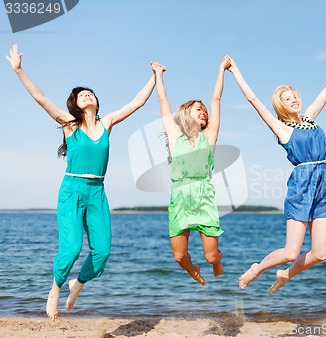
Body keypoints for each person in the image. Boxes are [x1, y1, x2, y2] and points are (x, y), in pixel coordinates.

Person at [5, 44, 159, 321]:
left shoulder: (107, 122)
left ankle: (78, 284)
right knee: (72, 247)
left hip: (97, 192)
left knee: (102, 252)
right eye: (81, 95)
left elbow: (138, 102)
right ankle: (55, 289)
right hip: (73, 190)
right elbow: (40, 97)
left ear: (97, 103)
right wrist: (18, 70)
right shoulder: (69, 125)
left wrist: (156, 76)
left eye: (90, 93)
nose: (87, 95)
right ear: (75, 104)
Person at [227, 52, 326, 295]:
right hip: (301, 186)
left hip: (322, 185)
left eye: (295, 96)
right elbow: (254, 100)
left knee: (320, 253)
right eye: (288, 99)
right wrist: (235, 71)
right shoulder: (282, 128)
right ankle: (258, 268)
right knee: (290, 252)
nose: (294, 100)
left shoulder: (310, 119)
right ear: (281, 105)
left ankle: (286, 274)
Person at [153, 56, 230, 285]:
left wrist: (221, 70)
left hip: (204, 197)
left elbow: (216, 98)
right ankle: (192, 269)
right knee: (178, 256)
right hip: (179, 197)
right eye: (199, 109)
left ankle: (217, 262)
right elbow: (162, 100)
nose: (204, 112)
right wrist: (158, 74)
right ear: (186, 113)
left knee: (210, 255)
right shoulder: (176, 136)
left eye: (204, 111)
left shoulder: (210, 136)